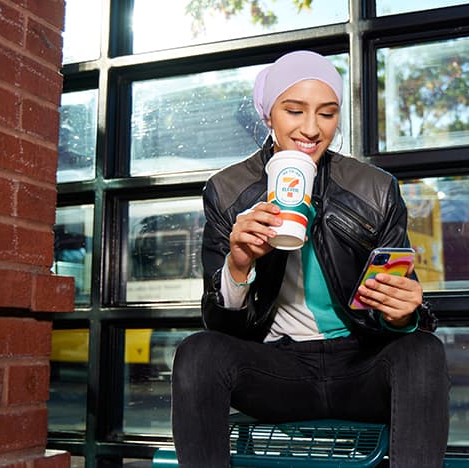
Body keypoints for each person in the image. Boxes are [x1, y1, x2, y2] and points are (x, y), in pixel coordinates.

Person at [171, 50, 450, 467]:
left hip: (359, 364)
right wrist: (238, 264)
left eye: (327, 113)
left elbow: (395, 304)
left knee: (424, 351)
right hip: (278, 370)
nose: (311, 128)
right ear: (269, 115)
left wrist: (403, 313)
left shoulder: (375, 189)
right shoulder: (227, 191)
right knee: (197, 353)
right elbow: (221, 325)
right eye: (294, 110)